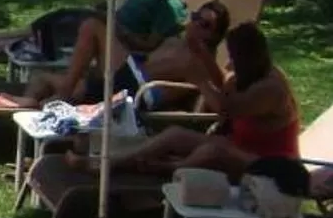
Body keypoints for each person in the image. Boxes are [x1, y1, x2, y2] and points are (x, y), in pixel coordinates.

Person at [0, 0, 192, 108]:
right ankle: (31, 102)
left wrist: (119, 31)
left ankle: (58, 96)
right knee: (40, 73)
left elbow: (149, 46)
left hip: (129, 65)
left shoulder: (171, 6)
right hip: (115, 53)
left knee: (88, 26)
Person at [115, 21, 303, 180]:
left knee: (212, 150)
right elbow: (224, 84)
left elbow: (226, 109)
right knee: (175, 135)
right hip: (238, 148)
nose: (229, 63)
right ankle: (117, 162)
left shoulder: (271, 88)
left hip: (271, 165)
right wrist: (200, 51)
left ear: (248, 58)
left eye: (233, 58)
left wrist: (200, 81)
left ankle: (167, 168)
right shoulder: (251, 74)